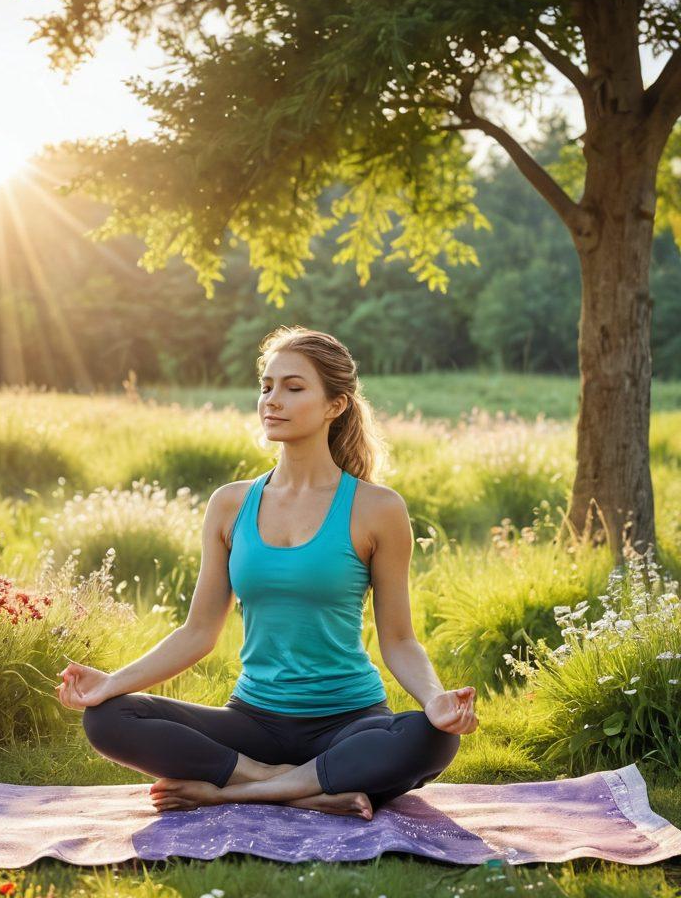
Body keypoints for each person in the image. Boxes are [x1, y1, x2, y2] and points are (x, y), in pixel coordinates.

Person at [56, 326, 478, 821]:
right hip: (253, 724)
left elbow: (400, 640)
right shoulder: (230, 504)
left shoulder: (377, 508)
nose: (272, 400)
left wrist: (435, 700)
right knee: (107, 718)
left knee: (432, 738)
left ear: (336, 405)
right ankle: (297, 786)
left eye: (293, 388)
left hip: (348, 722)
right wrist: (111, 683)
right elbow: (197, 632)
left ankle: (231, 791)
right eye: (267, 386)